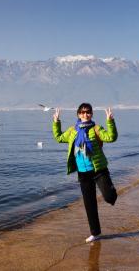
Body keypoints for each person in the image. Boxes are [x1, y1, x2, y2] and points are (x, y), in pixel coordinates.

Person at [52, 103, 118, 243]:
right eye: (82, 112)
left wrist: (110, 121)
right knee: (90, 204)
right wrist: (56, 122)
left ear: (91, 114)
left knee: (109, 197)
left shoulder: (96, 129)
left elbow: (111, 137)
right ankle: (95, 233)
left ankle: (111, 191)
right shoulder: (72, 131)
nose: (85, 114)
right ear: (78, 114)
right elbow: (59, 138)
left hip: (99, 170)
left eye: (88, 112)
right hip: (83, 173)